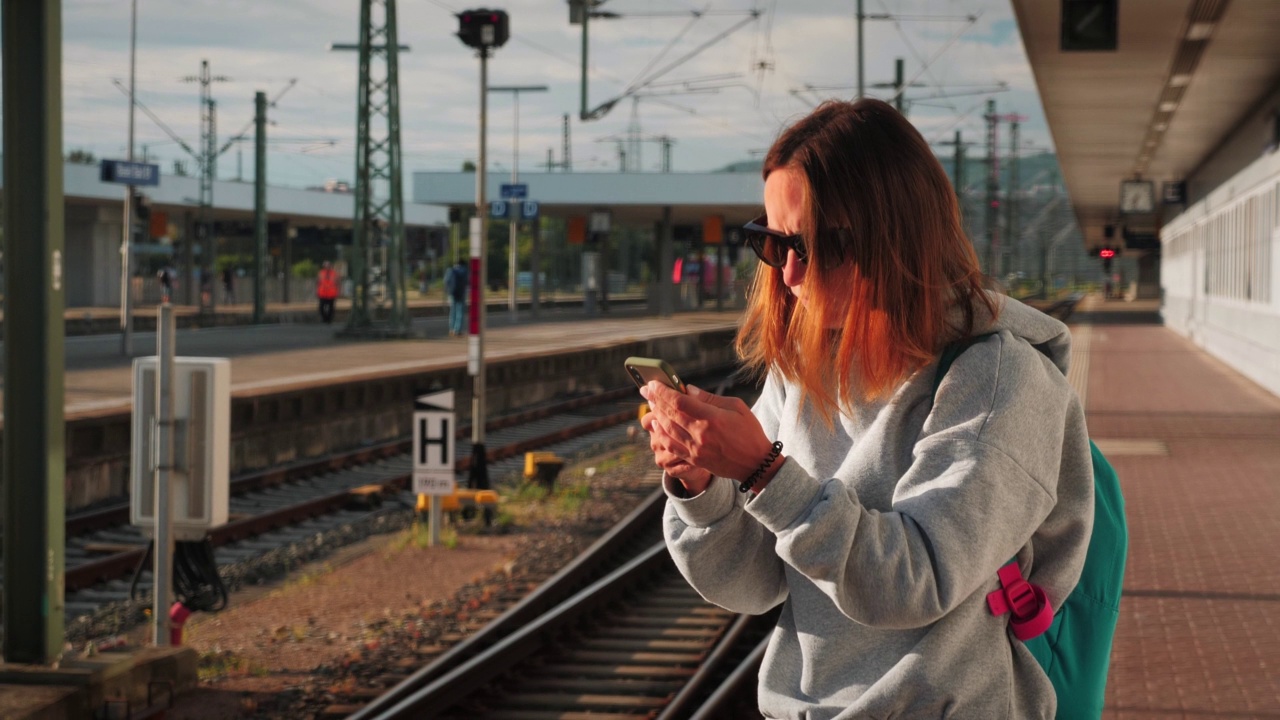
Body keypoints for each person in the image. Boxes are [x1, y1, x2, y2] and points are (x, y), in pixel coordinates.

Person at [639, 99, 1093, 719]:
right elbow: (753, 584)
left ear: (900, 238)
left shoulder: (999, 379)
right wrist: (700, 487)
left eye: (824, 244)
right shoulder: (803, 373)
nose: (792, 272)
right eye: (773, 244)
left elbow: (918, 579)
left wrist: (761, 472)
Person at [444, 259, 468, 337]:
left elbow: (446, 281)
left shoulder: (451, 270)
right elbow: (468, 281)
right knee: (460, 312)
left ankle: (451, 329)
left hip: (452, 293)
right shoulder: (465, 270)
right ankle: (457, 330)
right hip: (461, 293)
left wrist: (447, 291)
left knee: (452, 312)